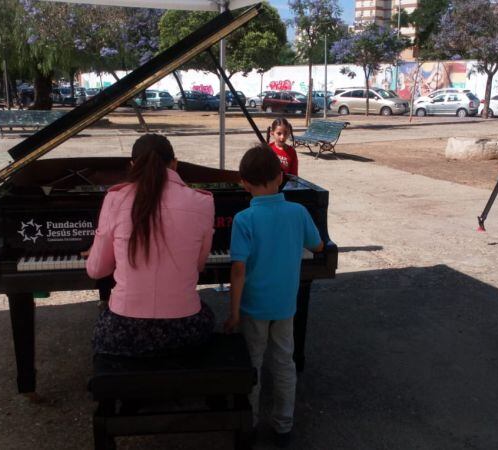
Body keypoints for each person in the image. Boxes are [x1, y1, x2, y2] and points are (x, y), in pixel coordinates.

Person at [224, 145, 323, 446]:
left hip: (254, 307)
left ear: (243, 182)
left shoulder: (243, 219)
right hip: (284, 306)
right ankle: (283, 426)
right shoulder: (298, 211)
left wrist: (234, 312)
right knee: (283, 363)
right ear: (281, 177)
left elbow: (238, 270)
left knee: (252, 363)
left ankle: (249, 424)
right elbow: (318, 246)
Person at [85, 134, 216, 357]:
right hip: (184, 328)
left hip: (125, 328)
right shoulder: (203, 202)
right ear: (174, 163)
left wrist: (109, 251)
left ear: (133, 165)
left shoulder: (115, 199)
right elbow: (199, 266)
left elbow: (96, 270)